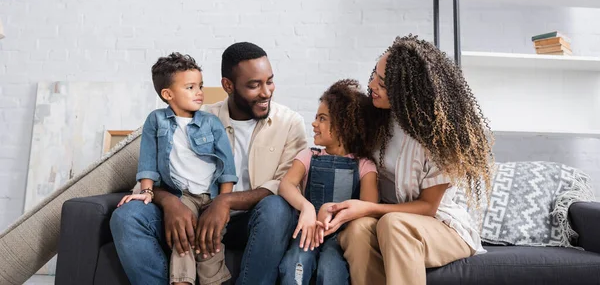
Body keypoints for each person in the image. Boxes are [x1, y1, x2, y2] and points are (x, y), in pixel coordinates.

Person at [110, 42, 308, 285]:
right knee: (127, 216)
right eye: (254, 85)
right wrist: (171, 202)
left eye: (269, 81)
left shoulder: (290, 123)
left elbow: (287, 185)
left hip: (252, 220)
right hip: (196, 212)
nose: (266, 92)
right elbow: (156, 172)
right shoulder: (197, 118)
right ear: (228, 85)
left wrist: (225, 201)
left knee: (277, 209)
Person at [324, 35, 494, 285]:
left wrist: (369, 209)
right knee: (358, 231)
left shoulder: (439, 137)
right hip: (388, 221)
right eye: (375, 75)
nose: (371, 84)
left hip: (438, 226)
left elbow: (428, 207)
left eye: (382, 83)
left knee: (394, 225)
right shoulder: (378, 120)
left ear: (406, 92)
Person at [115, 52, 237, 285]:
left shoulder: (211, 122)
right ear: (168, 94)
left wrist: (224, 201)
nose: (199, 92)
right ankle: (181, 282)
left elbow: (227, 166)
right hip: (183, 196)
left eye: (200, 86)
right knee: (184, 238)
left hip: (211, 197)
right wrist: (146, 192)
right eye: (190, 87)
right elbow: (148, 160)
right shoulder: (156, 120)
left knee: (210, 243)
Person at [278, 80, 378, 285]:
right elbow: (286, 185)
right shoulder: (308, 156)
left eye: (322, 119)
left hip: (341, 237)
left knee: (331, 271)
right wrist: (306, 208)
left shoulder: (364, 165)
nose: (314, 123)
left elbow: (370, 207)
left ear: (343, 125)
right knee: (293, 266)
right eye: (316, 118)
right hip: (308, 232)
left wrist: (332, 211)